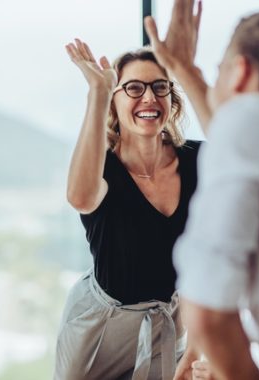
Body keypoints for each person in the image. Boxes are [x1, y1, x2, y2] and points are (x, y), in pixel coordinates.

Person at [55, 39, 203, 379]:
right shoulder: (100, 168)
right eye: (134, 88)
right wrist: (98, 91)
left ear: (171, 99)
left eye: (159, 87)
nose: (149, 98)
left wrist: (196, 348)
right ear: (114, 102)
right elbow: (80, 198)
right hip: (99, 329)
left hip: (168, 323)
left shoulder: (199, 161)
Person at [145, 1, 259, 379]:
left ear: (240, 72)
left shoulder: (248, 117)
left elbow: (207, 310)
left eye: (217, 73)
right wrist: (185, 68)